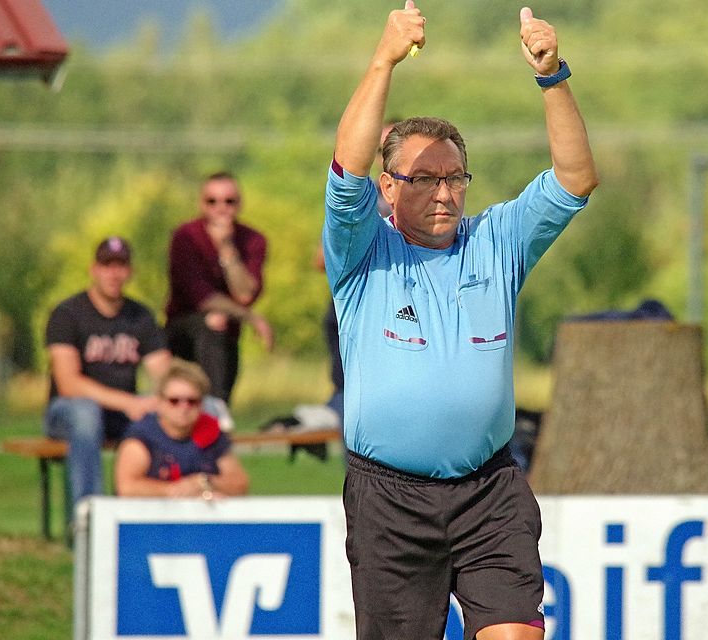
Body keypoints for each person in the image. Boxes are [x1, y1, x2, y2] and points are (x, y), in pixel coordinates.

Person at [323, 3, 598, 638]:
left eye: (455, 178)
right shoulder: (362, 249)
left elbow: (576, 178)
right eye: (423, 179)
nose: (444, 193)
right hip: (389, 500)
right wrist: (383, 58)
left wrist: (553, 76)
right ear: (388, 189)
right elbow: (346, 164)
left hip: (489, 490)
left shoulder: (497, 241)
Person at [44, 236, 172, 519]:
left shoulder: (140, 316)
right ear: (94, 269)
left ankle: (155, 520)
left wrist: (168, 400)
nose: (114, 274)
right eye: (107, 265)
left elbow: (163, 372)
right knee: (86, 414)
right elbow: (69, 384)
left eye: (121, 266)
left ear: (130, 271)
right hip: (68, 412)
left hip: (120, 413)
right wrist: (128, 402)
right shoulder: (67, 314)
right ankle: (88, 522)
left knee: (171, 414)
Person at [165, 171, 273, 405]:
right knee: (215, 319)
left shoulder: (253, 240)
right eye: (212, 201)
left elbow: (245, 294)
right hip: (183, 332)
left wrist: (227, 249)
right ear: (201, 204)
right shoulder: (186, 237)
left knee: (219, 322)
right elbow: (200, 297)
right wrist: (251, 318)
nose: (221, 208)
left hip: (225, 342)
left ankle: (218, 409)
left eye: (229, 201)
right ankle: (215, 405)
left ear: (239, 204)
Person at [114, 359, 249, 498]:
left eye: (192, 401)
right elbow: (127, 487)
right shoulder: (143, 436)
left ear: (202, 404)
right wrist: (175, 491)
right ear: (159, 402)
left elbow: (239, 484)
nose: (183, 408)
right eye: (174, 401)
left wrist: (204, 482)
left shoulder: (211, 433)